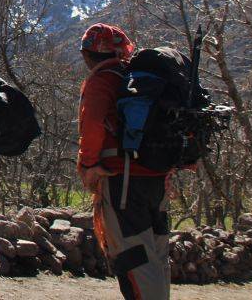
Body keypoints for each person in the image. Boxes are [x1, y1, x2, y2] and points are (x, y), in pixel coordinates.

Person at [77, 23, 170, 300]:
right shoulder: (139, 79)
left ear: (87, 54)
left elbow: (93, 125)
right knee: (156, 255)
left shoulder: (102, 80)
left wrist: (88, 165)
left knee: (133, 255)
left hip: (122, 180)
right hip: (156, 177)